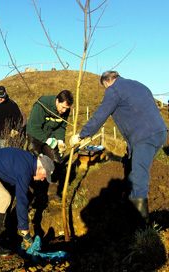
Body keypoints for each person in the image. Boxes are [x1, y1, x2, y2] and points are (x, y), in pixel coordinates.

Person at [70, 71, 168, 223]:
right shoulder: (139, 84)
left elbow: (101, 114)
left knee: (138, 176)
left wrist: (82, 135)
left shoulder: (114, 89)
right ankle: (130, 202)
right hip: (161, 132)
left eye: (105, 87)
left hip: (144, 137)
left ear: (107, 82)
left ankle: (141, 226)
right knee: (129, 163)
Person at [0, 147, 55, 258]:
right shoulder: (24, 170)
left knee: (12, 194)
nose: (43, 179)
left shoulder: (28, 161)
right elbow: (21, 201)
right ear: (40, 167)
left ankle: (7, 231)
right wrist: (25, 230)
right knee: (3, 198)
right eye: (44, 175)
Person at [26, 90, 74, 202]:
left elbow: (61, 127)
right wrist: (47, 140)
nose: (64, 111)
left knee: (56, 161)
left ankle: (52, 192)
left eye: (67, 108)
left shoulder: (65, 109)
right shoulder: (42, 105)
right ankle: (34, 193)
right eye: (62, 107)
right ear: (57, 100)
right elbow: (34, 127)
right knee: (35, 163)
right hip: (36, 136)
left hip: (51, 137)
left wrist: (61, 141)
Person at [0, 86, 22, 150]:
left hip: (6, 137)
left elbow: (19, 119)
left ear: (5, 93)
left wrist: (15, 130)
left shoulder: (11, 104)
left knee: (4, 157)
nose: (0, 99)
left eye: (2, 97)